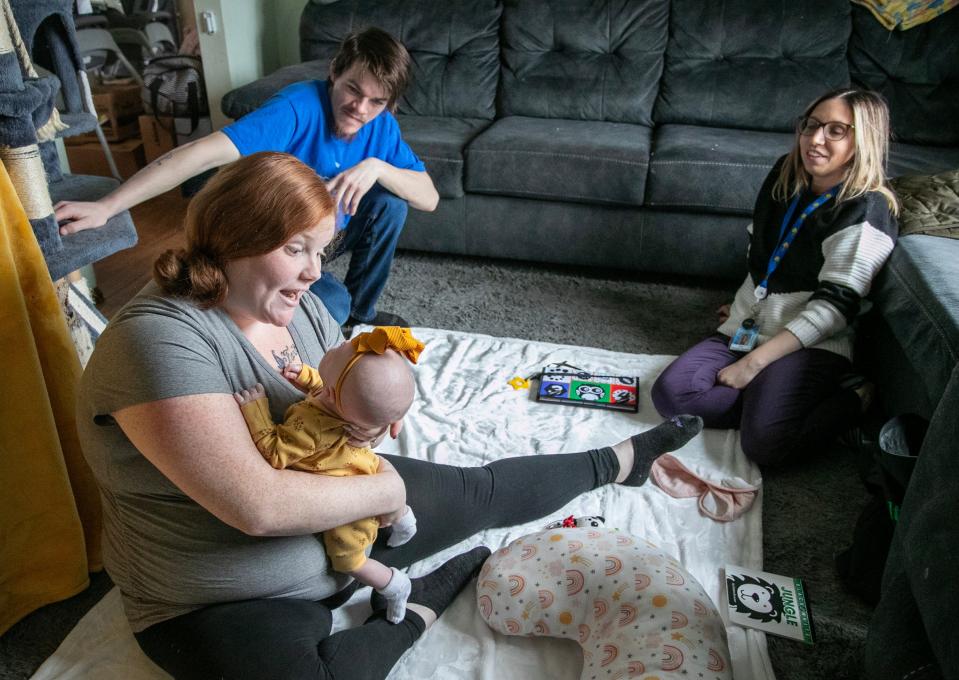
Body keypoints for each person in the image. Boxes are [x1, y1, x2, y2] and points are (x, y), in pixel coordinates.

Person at [77, 151, 707, 680]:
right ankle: (423, 607)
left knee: (481, 489)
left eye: (321, 250)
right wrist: (390, 487)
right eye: (295, 248)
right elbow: (257, 507)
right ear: (235, 236)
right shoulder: (160, 340)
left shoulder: (296, 306)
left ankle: (622, 460)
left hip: (344, 515)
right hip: (223, 595)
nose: (313, 272)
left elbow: (338, 394)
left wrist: (370, 418)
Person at [55, 27, 438, 328]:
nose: (360, 108)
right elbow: (197, 155)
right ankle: (331, 313)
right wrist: (107, 206)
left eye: (376, 101)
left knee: (389, 203)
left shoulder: (382, 129)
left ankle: (361, 318)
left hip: (320, 240)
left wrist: (378, 167)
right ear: (334, 72)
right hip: (273, 244)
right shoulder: (295, 108)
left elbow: (429, 198)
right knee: (330, 307)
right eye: (353, 90)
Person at [651, 88, 899, 466]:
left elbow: (834, 310)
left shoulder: (866, 210)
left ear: (863, 139)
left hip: (811, 341)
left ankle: (854, 397)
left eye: (836, 131)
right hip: (750, 325)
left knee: (766, 445)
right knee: (671, 397)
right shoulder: (785, 174)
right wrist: (744, 305)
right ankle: (768, 400)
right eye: (812, 125)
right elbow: (763, 255)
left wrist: (753, 364)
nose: (815, 140)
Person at [233, 327, 427, 624]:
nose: (343, 341)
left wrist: (255, 409)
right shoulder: (341, 403)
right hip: (365, 466)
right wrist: (306, 377)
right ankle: (405, 520)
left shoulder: (312, 427)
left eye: (341, 350)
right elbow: (327, 389)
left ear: (333, 393)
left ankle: (394, 585)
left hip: (352, 510)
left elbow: (275, 451)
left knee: (349, 560)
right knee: (386, 480)